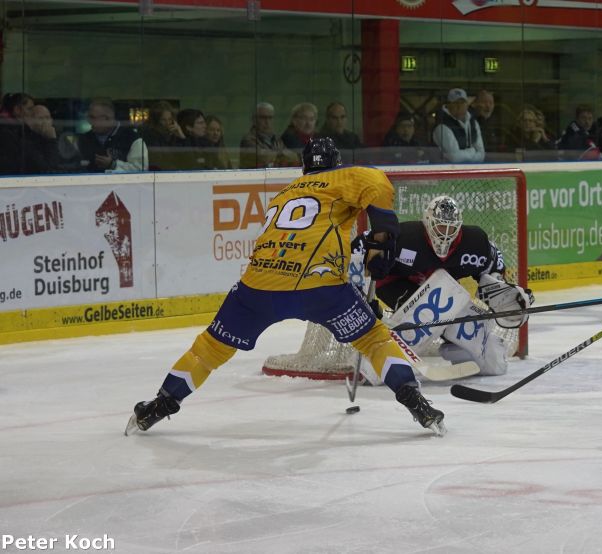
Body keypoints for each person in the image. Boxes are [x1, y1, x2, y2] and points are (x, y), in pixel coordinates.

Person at [126, 137, 446, 436]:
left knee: (209, 349)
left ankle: (160, 405)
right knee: (375, 339)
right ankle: (415, 401)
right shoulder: (347, 177)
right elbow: (377, 185)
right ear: (336, 162)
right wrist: (383, 238)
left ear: (304, 167)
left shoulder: (286, 193)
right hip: (320, 287)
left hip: (259, 286)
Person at [367, 195, 534, 379]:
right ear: (428, 222)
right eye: (440, 226)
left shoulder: (474, 242)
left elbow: (494, 264)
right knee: (433, 307)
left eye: (451, 228)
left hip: (443, 293)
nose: (445, 233)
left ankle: (458, 349)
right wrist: (367, 301)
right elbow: (365, 257)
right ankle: (381, 359)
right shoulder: (404, 237)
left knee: (492, 364)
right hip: (395, 283)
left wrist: (503, 291)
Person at [75, 97, 148, 173]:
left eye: (93, 117)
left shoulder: (132, 138)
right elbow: (71, 168)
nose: (89, 121)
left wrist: (113, 165)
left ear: (107, 119)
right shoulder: (83, 139)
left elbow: (141, 171)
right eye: (89, 117)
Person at [239, 102, 298, 168]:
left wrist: (276, 155)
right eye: (263, 118)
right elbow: (264, 158)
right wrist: (280, 154)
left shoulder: (276, 139)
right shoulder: (247, 139)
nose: (267, 122)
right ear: (254, 119)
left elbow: (293, 157)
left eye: (270, 118)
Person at [432, 88, 484, 163]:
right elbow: (454, 158)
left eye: (462, 102)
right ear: (448, 105)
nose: (459, 106)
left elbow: (481, 155)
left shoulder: (473, 123)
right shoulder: (442, 126)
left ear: (467, 105)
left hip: (471, 172)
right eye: (455, 103)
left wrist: (464, 154)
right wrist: (472, 151)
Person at [140, 101, 186, 170]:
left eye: (170, 119)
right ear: (156, 121)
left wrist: (181, 135)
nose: (167, 123)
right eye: (163, 120)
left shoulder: (173, 135)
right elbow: (159, 161)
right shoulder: (150, 136)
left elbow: (187, 159)